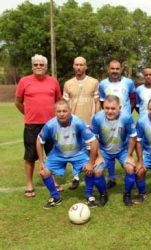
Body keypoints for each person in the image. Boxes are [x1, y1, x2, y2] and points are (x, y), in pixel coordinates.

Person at [36, 100, 98, 209]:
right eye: (59, 111)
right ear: (55, 112)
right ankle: (55, 198)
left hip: (78, 153)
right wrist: (41, 161)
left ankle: (89, 196)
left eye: (64, 111)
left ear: (70, 111)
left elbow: (93, 140)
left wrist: (91, 162)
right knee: (44, 172)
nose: (61, 113)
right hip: (58, 154)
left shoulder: (78, 122)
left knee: (90, 169)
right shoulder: (50, 125)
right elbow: (39, 140)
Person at [15, 54, 61, 198]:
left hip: (50, 125)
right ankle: (29, 184)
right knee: (30, 156)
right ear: (32, 66)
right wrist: (28, 114)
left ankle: (52, 180)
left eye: (41, 64)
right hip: (31, 125)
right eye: (36, 64)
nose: (39, 67)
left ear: (46, 67)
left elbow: (58, 102)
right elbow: (17, 102)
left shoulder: (53, 82)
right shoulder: (24, 81)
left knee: (52, 154)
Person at [89, 95, 139, 206]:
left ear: (120, 108)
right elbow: (93, 138)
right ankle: (103, 195)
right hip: (104, 151)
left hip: (122, 150)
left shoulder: (126, 117)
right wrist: (99, 156)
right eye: (107, 108)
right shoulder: (97, 118)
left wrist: (130, 155)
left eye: (113, 108)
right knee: (97, 171)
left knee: (130, 168)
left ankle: (127, 194)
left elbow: (133, 136)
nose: (109, 111)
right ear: (103, 107)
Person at [63, 56, 100, 190]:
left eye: (81, 65)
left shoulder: (94, 82)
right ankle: (76, 177)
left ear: (85, 66)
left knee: (92, 150)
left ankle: (94, 174)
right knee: (75, 150)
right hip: (73, 123)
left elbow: (96, 101)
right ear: (73, 66)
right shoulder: (68, 84)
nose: (79, 67)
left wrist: (96, 120)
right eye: (76, 64)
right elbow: (65, 104)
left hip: (89, 123)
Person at [98, 59, 136, 188]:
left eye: (117, 68)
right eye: (112, 68)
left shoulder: (129, 82)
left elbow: (132, 99)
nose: (115, 71)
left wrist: (126, 113)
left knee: (124, 146)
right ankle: (112, 177)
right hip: (108, 120)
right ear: (108, 69)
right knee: (109, 146)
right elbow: (102, 102)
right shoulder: (103, 84)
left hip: (124, 122)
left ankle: (130, 172)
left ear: (121, 69)